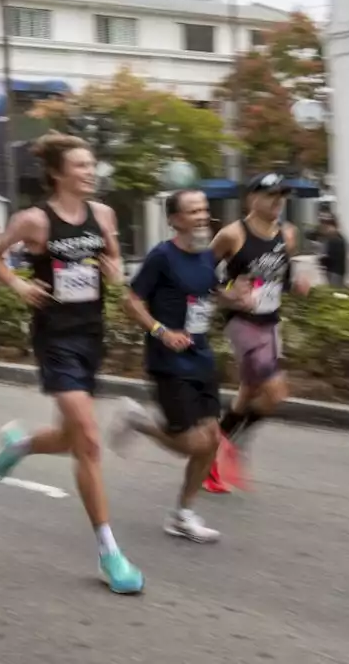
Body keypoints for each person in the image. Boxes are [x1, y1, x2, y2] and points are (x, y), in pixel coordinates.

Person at [0, 132, 144, 595]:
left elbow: (112, 258)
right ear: (57, 173)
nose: (90, 172)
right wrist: (17, 284)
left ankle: (20, 446)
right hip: (55, 338)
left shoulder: (103, 214)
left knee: (73, 437)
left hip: (92, 334)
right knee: (89, 441)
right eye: (81, 166)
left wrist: (115, 269)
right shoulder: (34, 221)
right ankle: (110, 552)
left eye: (93, 165)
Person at [108, 189, 254, 542]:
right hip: (168, 361)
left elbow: (211, 294)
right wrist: (161, 331)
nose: (202, 216)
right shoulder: (162, 256)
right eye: (192, 211)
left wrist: (236, 298)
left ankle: (182, 514)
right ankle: (138, 419)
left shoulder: (206, 257)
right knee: (192, 443)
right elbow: (131, 301)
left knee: (210, 442)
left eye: (204, 210)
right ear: (174, 219)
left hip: (201, 357)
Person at [207, 172, 313, 492]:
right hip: (242, 323)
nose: (278, 202)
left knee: (249, 395)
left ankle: (214, 449)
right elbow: (198, 273)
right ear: (252, 199)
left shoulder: (288, 234)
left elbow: (283, 272)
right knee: (275, 392)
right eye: (271, 196)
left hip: (271, 321)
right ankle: (232, 448)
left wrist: (296, 284)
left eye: (282, 196)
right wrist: (227, 293)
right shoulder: (231, 235)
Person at [317, 211, 348, 288]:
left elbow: (332, 257)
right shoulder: (329, 238)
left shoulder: (336, 239)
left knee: (335, 290)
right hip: (331, 271)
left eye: (324, 224)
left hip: (335, 272)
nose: (322, 227)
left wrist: (323, 259)